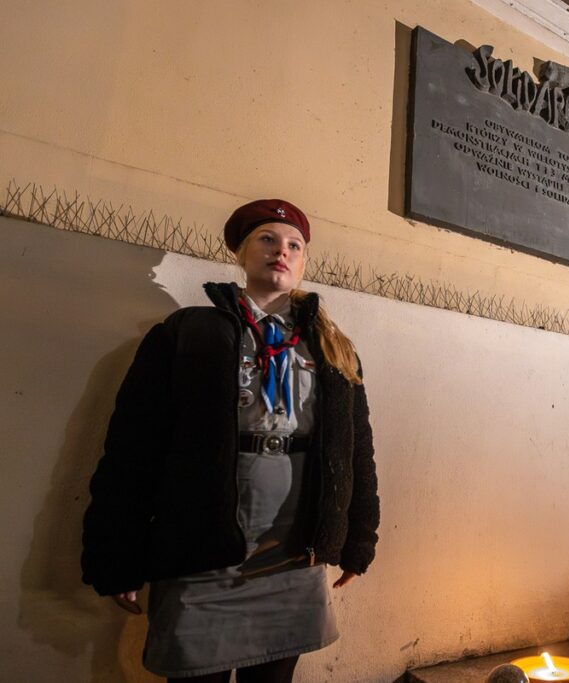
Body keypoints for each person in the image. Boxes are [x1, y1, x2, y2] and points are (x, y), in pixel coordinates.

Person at [81, 199, 380, 682]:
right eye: (266, 239)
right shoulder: (190, 333)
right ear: (241, 253)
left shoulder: (332, 348)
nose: (280, 251)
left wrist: (358, 539)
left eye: (293, 245)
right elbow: (133, 448)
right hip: (201, 546)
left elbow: (356, 452)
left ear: (303, 262)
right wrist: (117, 552)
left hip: (292, 551)